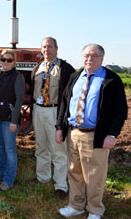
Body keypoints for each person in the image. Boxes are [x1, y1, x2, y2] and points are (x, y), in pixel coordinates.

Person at [56, 44, 127, 219]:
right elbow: (64, 103)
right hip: (74, 133)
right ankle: (76, 205)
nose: (90, 59)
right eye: (87, 55)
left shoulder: (111, 80)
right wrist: (60, 127)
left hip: (95, 135)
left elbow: (120, 110)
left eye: (94, 56)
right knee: (74, 172)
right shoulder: (75, 77)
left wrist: (112, 134)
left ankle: (95, 210)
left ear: (101, 59)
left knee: (94, 175)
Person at [29, 37, 75, 199]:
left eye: (49, 47)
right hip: (38, 110)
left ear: (56, 48)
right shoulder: (37, 68)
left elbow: (70, 95)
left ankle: (61, 185)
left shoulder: (65, 68)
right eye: (44, 47)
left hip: (55, 112)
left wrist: (63, 119)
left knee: (59, 150)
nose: (46, 50)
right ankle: (42, 177)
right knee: (41, 147)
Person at [0, 49, 25, 191]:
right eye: (3, 59)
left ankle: (8, 180)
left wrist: (14, 121)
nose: (6, 62)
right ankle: (0, 173)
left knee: (10, 150)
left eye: (9, 60)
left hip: (9, 120)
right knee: (1, 147)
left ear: (14, 62)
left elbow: (19, 99)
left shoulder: (18, 77)